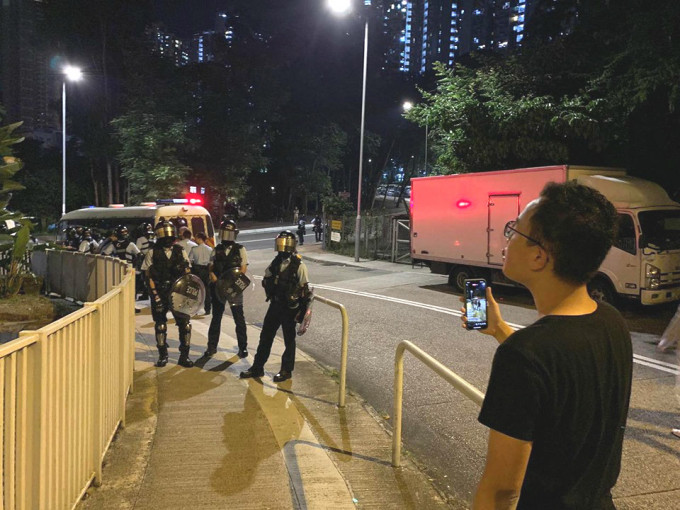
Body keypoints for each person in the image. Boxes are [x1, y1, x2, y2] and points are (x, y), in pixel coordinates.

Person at [462, 182, 632, 510]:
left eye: (514, 231)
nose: (507, 239)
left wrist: (509, 342)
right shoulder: (611, 321)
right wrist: (499, 330)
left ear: (539, 256)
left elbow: (501, 493)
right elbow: (557, 372)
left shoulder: (522, 357)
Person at [240, 230, 311, 382]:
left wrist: (302, 312)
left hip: (290, 308)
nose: (283, 247)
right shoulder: (276, 261)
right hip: (275, 304)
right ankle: (257, 367)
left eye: (286, 244)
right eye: (281, 243)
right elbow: (267, 278)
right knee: (265, 336)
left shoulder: (299, 265)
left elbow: (304, 290)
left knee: (289, 340)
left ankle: (286, 370)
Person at [142, 221, 194, 368]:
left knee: (185, 325)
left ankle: (184, 356)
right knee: (160, 326)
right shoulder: (152, 252)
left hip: (178, 292)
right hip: (160, 291)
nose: (168, 238)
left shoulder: (180, 250)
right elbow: (149, 276)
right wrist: (155, 296)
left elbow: (188, 273)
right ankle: (163, 355)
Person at [206, 220, 248, 358]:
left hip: (234, 287)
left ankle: (243, 347)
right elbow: (210, 268)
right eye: (225, 233)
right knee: (216, 318)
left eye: (230, 233)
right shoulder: (216, 249)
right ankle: (211, 347)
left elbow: (243, 268)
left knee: (239, 318)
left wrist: (233, 284)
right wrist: (216, 281)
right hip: (218, 287)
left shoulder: (240, 249)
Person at [189, 232, 213, 315]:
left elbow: (190, 260)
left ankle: (196, 309)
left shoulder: (194, 249)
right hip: (206, 270)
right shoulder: (210, 249)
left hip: (197, 270)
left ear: (199, 239)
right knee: (207, 290)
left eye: (196, 238)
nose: (195, 240)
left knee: (196, 290)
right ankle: (208, 309)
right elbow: (212, 261)